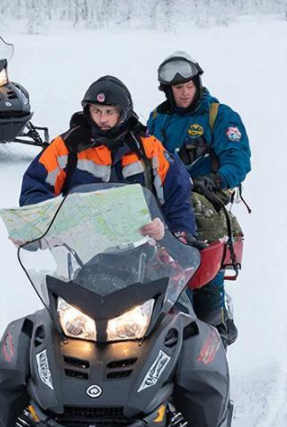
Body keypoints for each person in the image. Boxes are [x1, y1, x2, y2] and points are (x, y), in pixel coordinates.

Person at [147, 51, 250, 345]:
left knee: (204, 241)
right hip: (163, 194)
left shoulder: (219, 115)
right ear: (168, 90)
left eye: (189, 86)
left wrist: (216, 178)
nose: (184, 92)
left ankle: (212, 315)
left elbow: (239, 158)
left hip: (204, 195)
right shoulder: (158, 118)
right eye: (178, 88)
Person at [20, 76, 197, 241]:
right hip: (82, 246)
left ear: (123, 114)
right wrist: (51, 221)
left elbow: (177, 197)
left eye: (109, 112)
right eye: (96, 111)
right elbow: (35, 187)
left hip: (143, 246)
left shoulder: (147, 148)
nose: (102, 119)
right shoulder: (66, 146)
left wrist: (179, 236)